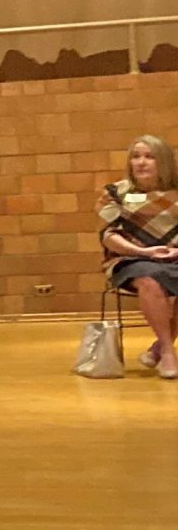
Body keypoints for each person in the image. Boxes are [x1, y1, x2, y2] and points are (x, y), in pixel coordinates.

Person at [99, 135, 178, 381]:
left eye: (149, 156)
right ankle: (167, 351)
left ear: (163, 162)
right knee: (150, 278)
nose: (141, 162)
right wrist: (144, 252)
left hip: (174, 255)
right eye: (136, 157)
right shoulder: (115, 192)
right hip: (130, 259)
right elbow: (108, 235)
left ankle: (157, 348)